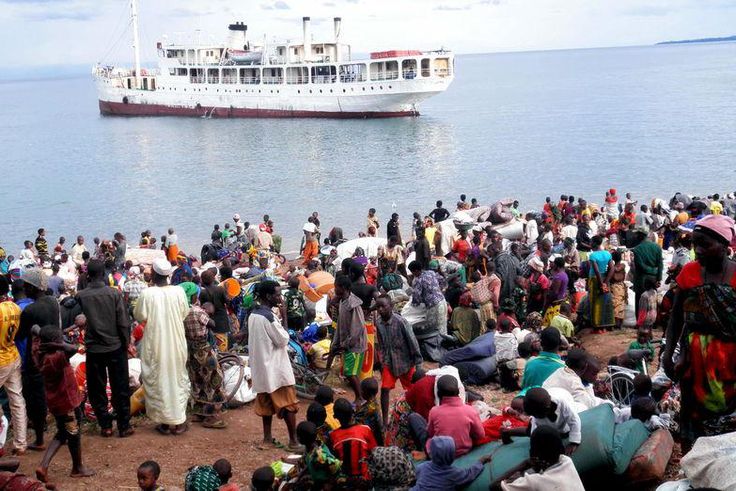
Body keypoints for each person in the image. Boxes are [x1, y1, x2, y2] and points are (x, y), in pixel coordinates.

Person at [76, 259, 133, 438]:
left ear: (88, 275)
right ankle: (124, 426)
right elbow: (123, 323)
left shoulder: (81, 296)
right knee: (120, 387)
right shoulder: (114, 294)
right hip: (115, 346)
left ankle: (105, 425)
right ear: (104, 274)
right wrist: (126, 344)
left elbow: (78, 321)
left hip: (94, 349)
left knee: (96, 388)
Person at [134, 258, 190, 436]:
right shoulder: (179, 291)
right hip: (176, 341)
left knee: (160, 380)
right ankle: (178, 422)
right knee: (177, 377)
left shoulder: (147, 294)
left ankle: (165, 423)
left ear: (154, 274)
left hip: (156, 342)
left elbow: (140, 315)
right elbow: (184, 313)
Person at [33, 325, 95, 484]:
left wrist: (41, 335)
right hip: (67, 402)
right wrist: (58, 345)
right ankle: (75, 468)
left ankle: (48, 466)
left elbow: (37, 338)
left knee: (63, 433)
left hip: (55, 402)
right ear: (55, 343)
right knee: (73, 433)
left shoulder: (39, 354)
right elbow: (74, 348)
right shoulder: (57, 357)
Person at [247, 280, 301, 451]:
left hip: (261, 368)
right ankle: (293, 441)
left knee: (265, 404)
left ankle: (267, 438)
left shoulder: (254, 314)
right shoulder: (269, 317)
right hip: (276, 369)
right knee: (288, 405)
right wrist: (284, 315)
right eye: (277, 294)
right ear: (268, 296)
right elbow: (283, 339)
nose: (279, 297)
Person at [17, 268, 58, 451]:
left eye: (27, 285)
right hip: (55, 353)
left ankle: (40, 439)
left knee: (36, 399)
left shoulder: (30, 310)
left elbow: (20, 335)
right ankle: (64, 432)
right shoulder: (53, 302)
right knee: (56, 393)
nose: (24, 288)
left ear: (32, 288)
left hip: (36, 359)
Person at [182, 284, 226, 429]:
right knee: (214, 380)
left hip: (190, 352)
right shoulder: (196, 311)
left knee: (198, 381)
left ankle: (200, 412)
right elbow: (212, 324)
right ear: (194, 296)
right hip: (203, 350)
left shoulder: (180, 311)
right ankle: (210, 416)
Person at [409, 375, 484, 457]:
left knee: (413, 417)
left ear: (438, 393)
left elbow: (430, 433)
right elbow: (480, 435)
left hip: (439, 453)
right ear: (458, 391)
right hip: (463, 450)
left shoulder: (434, 411)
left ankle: (421, 449)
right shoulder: (470, 411)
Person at [375, 295, 422, 424]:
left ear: (391, 306)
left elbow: (412, 341)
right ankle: (385, 421)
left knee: (413, 390)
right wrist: (382, 360)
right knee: (384, 389)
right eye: (378, 307)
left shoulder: (401, 322)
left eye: (383, 306)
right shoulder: (378, 323)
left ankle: (418, 416)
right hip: (389, 363)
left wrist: (418, 364)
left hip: (405, 362)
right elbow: (381, 343)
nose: (380, 309)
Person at [496, 427, 584, 491]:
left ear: (533, 453)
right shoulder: (566, 461)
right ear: (561, 448)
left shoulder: (534, 482)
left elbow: (494, 486)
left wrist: (524, 464)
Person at [502, 387, 581, 455]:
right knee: (530, 431)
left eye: (537, 415)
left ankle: (507, 431)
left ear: (546, 410)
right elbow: (534, 433)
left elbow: (574, 420)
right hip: (546, 419)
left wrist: (574, 442)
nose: (535, 417)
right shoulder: (536, 413)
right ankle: (507, 432)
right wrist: (534, 450)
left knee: (563, 430)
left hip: (561, 417)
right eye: (533, 415)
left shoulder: (561, 403)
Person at [326, 275, 367, 404]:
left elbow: (357, 327)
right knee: (350, 372)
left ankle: (360, 397)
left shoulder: (353, 304)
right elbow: (340, 325)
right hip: (348, 343)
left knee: (350, 373)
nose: (334, 289)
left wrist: (346, 344)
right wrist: (336, 344)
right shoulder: (343, 302)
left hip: (355, 345)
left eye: (335, 287)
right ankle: (360, 396)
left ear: (342, 288)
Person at [0, 277, 27, 455]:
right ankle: (20, 443)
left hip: (1, 359)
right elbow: (20, 333)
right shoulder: (15, 307)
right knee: (17, 400)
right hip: (13, 355)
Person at [411, 436, 490, 491]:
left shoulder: (422, 466)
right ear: (450, 456)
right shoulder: (452, 473)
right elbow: (469, 474)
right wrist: (481, 461)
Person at [330, 398, 377, 485]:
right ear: (353, 412)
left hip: (344, 482)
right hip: (366, 480)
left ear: (335, 417)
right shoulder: (365, 430)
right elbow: (374, 452)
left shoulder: (333, 436)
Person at [291, 421, 341, 490]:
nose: (297, 437)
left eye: (298, 435)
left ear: (300, 439)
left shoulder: (319, 456)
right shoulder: (309, 447)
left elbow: (336, 465)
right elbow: (308, 462)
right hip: (317, 480)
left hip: (324, 484)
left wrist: (329, 483)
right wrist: (300, 475)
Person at [408, 261, 448, 336]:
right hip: (442, 301)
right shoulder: (431, 273)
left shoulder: (419, 280)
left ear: (416, 271)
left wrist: (413, 303)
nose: (412, 274)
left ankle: (436, 345)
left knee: (433, 328)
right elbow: (442, 280)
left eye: (412, 272)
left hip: (434, 306)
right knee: (442, 326)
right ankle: (445, 343)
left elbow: (416, 298)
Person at [631, 232, 663, 317]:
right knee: (652, 299)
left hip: (641, 278)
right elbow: (660, 264)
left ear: (639, 238)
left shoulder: (637, 249)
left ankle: (640, 321)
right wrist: (658, 278)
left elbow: (640, 265)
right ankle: (653, 320)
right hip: (654, 278)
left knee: (640, 300)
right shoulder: (657, 247)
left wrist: (649, 270)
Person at [588, 235, 614, 332]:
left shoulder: (593, 256)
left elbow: (596, 271)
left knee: (595, 303)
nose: (590, 244)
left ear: (594, 243)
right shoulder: (607, 254)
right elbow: (612, 269)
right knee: (605, 302)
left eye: (591, 242)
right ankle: (606, 325)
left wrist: (601, 283)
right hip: (605, 279)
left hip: (595, 280)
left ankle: (597, 327)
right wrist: (606, 282)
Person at [199, 270, 230, 352]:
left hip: (210, 322)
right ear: (213, 279)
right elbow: (228, 302)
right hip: (222, 322)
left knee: (212, 348)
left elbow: (201, 308)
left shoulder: (203, 293)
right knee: (222, 347)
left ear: (202, 280)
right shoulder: (220, 289)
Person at [355, 377, 384, 445]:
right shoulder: (374, 402)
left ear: (365, 393)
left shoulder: (369, 408)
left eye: (362, 391)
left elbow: (355, 420)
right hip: (377, 435)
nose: (361, 392)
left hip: (371, 438)